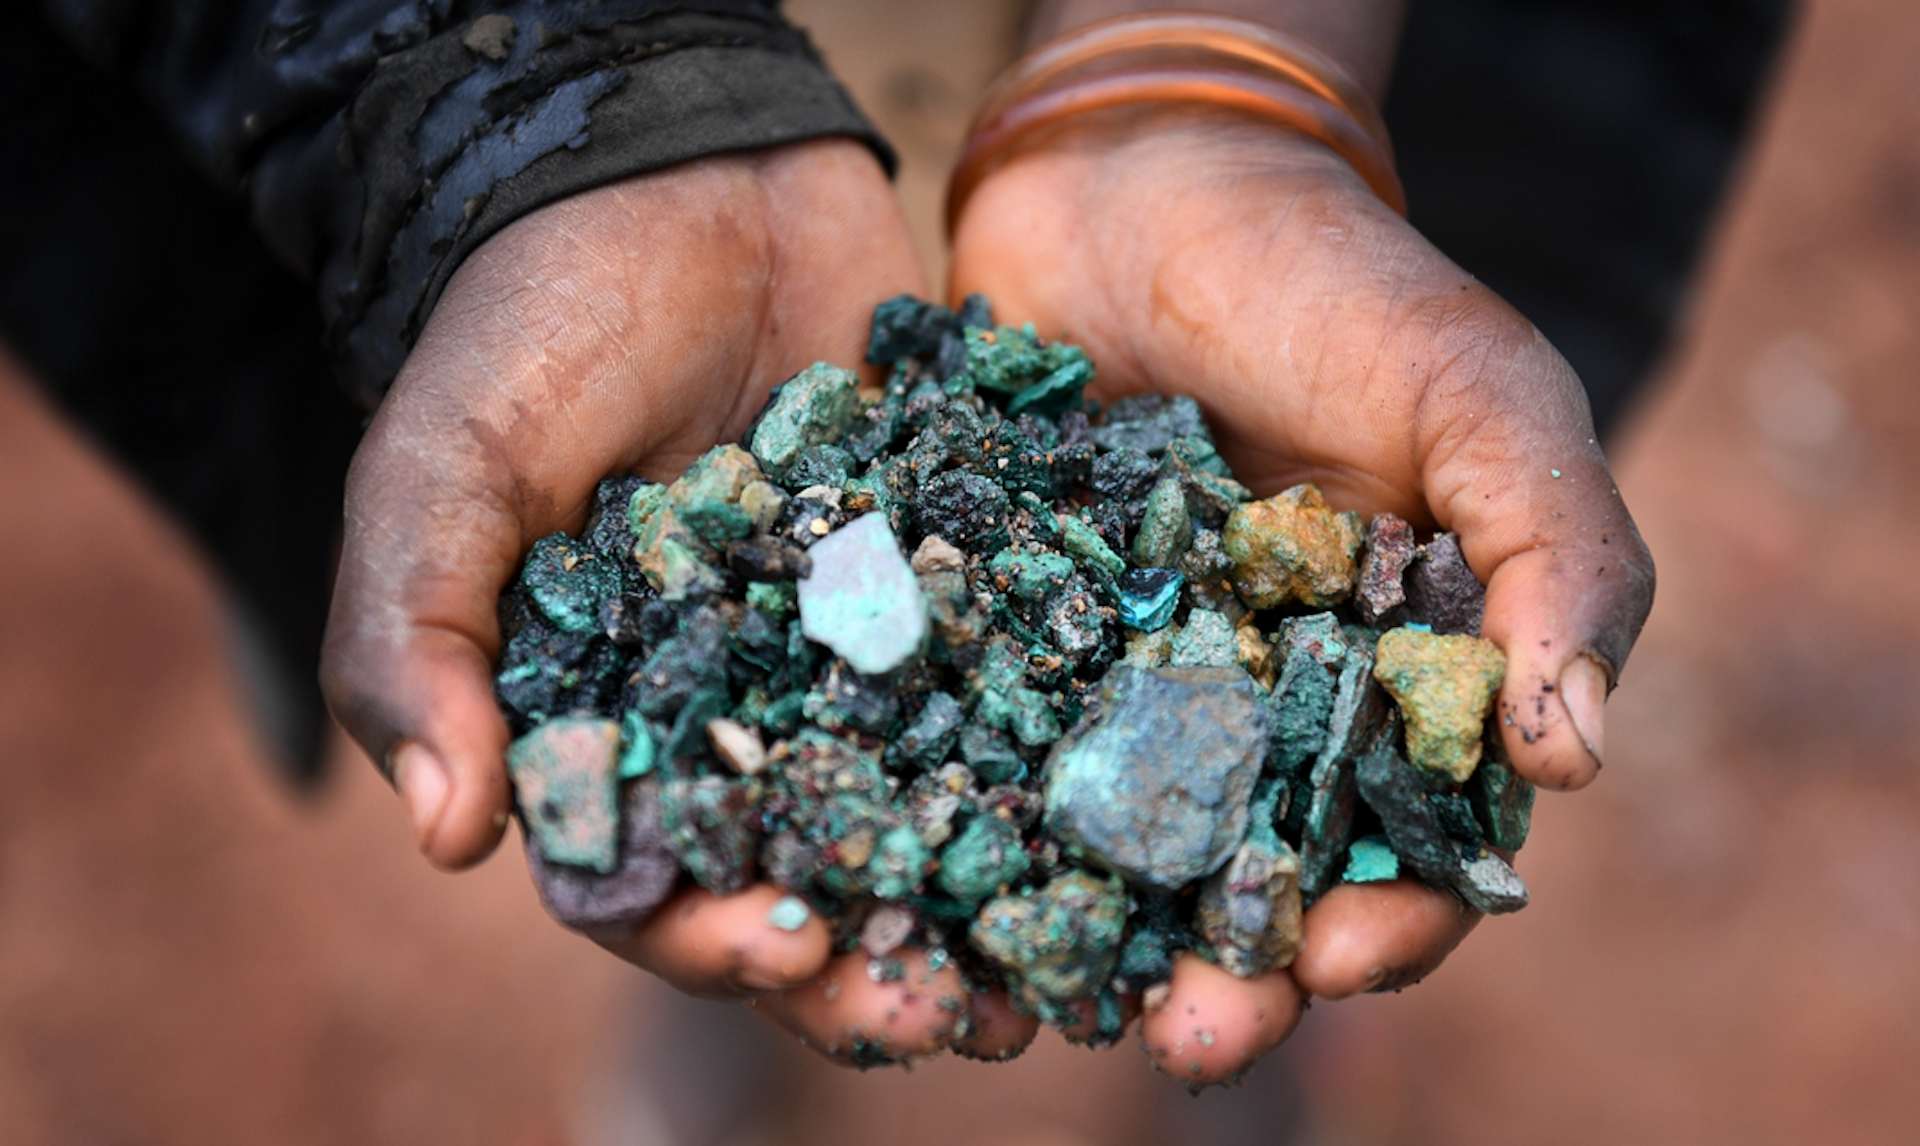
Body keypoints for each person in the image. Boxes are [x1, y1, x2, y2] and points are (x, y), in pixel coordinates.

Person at [8, 0, 1661, 1085]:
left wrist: (1217, 52)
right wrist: (545, 95)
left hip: (1322, 128)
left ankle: (1237, 900)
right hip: (689, 67)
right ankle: (767, 907)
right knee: (633, 569)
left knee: (1355, 470)